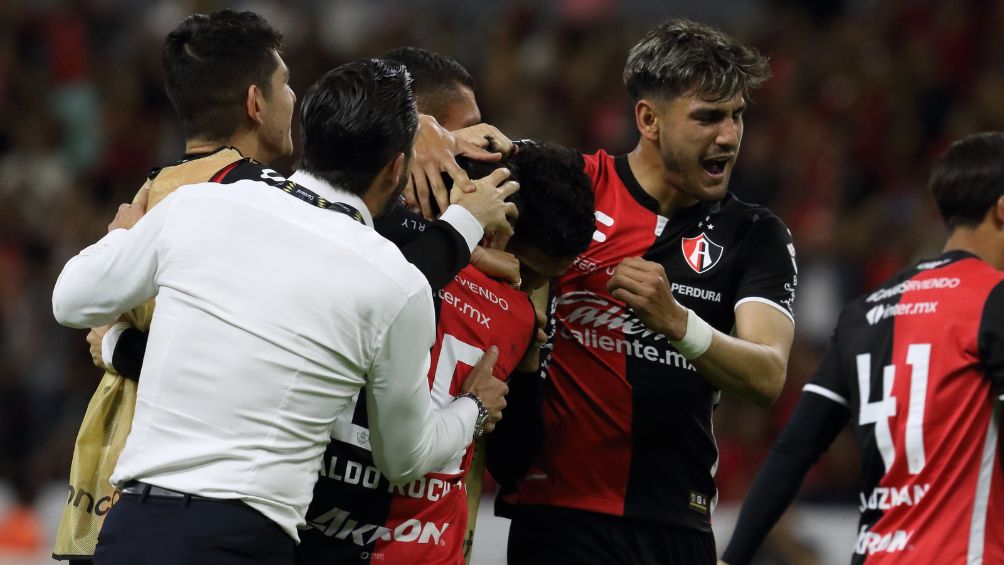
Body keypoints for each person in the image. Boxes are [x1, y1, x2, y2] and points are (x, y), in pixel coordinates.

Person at [51, 59, 510, 565]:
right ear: (396, 169)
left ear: (308, 136)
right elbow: (405, 458)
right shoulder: (395, 284)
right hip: (239, 540)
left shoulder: (201, 205)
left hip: (131, 530)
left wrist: (119, 241)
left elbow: (70, 300)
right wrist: (475, 407)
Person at [501, 19, 798, 565]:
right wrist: (435, 133)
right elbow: (460, 159)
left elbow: (767, 374)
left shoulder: (755, 235)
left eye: (737, 116)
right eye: (708, 117)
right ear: (648, 119)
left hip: (677, 522)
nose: (729, 137)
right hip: (560, 517)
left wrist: (681, 325)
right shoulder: (574, 185)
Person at [54, 10, 296, 562]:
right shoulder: (267, 206)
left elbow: (90, 316)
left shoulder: (147, 197)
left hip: (115, 473)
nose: (294, 100)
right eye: (286, 85)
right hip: (218, 487)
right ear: (256, 103)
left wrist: (116, 346)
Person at [297, 141, 596, 565]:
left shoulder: (378, 246)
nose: (525, 285)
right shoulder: (389, 248)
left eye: (543, 281)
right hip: (393, 537)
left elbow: (513, 463)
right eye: (527, 270)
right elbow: (513, 467)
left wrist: (527, 370)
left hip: (332, 526)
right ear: (495, 224)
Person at [721, 132, 1004, 564]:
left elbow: (794, 449)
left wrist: (732, 557)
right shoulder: (993, 298)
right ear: (1002, 209)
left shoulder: (865, 311)